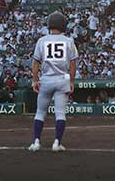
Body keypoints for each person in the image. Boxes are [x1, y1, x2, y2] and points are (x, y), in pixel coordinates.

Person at [28, 11, 78, 153]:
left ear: (50, 24)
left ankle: (36, 141)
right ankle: (57, 143)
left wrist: (35, 80)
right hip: (63, 79)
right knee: (60, 113)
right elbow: (73, 63)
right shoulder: (69, 41)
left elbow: (36, 62)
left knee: (40, 112)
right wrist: (72, 81)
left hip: (46, 79)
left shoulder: (42, 41)